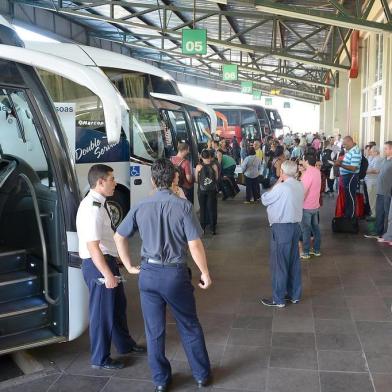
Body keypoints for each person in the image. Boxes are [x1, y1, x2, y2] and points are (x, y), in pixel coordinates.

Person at [114, 158, 212, 392]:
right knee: (189, 325)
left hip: (148, 274)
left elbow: (120, 236)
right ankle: (200, 375)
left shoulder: (140, 206)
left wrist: (128, 265)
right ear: (175, 179)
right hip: (174, 275)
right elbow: (195, 244)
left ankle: (160, 380)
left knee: (154, 330)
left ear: (153, 180)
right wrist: (204, 272)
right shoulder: (183, 206)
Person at [76, 164, 145, 370]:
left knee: (117, 307)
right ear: (100, 182)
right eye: (112, 179)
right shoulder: (92, 209)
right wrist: (107, 274)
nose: (115, 183)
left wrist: (116, 261)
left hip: (107, 261)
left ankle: (125, 345)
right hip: (98, 266)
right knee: (101, 314)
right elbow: (93, 246)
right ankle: (100, 358)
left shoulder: (100, 203)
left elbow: (104, 241)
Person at [260, 160, 305, 307]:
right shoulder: (299, 185)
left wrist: (278, 182)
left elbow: (265, 200)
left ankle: (278, 299)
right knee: (293, 262)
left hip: (281, 228)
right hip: (295, 227)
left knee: (280, 264)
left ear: (282, 172)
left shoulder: (282, 187)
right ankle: (294, 295)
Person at [365, 141, 392, 241]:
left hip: (388, 192)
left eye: (386, 148)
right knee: (379, 212)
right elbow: (379, 171)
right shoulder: (384, 160)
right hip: (380, 190)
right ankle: (378, 232)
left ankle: (386, 235)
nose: (384, 150)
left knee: (387, 214)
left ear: (391, 149)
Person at [299, 155, 322, 259]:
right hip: (315, 205)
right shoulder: (317, 171)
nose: (302, 161)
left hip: (306, 206)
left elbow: (304, 191)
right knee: (316, 229)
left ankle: (306, 252)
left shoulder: (308, 173)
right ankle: (317, 250)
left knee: (306, 230)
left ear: (306, 161)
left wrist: (298, 203)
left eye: (303, 160)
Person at [333, 136, 362, 218]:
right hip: (347, 176)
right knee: (347, 197)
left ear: (350, 142)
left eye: (345, 144)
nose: (344, 146)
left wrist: (340, 164)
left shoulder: (355, 151)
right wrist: (340, 161)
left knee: (350, 197)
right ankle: (348, 214)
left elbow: (353, 168)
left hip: (351, 176)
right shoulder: (350, 150)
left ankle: (351, 216)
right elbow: (348, 162)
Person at [195, 149, 219, 234]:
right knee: (211, 209)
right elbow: (216, 178)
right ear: (210, 156)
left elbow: (196, 179)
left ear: (201, 157)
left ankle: (203, 228)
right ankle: (213, 229)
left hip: (201, 191)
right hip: (212, 191)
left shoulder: (198, 167)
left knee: (202, 209)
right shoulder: (214, 166)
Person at [364, 146, 383, 218]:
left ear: (376, 152)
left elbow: (376, 170)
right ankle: (373, 213)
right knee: (371, 198)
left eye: (372, 151)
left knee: (373, 199)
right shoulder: (373, 158)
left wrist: (364, 171)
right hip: (369, 181)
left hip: (373, 181)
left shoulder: (378, 159)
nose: (370, 152)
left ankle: (374, 214)